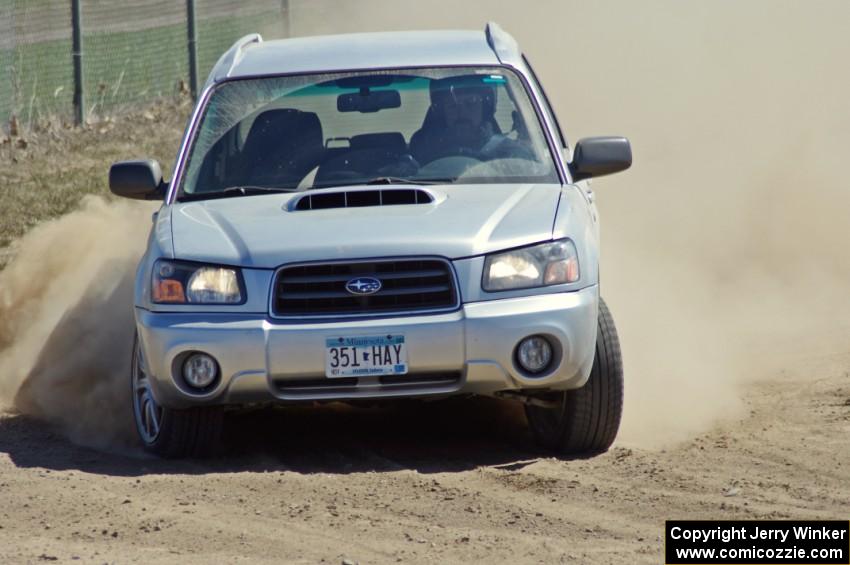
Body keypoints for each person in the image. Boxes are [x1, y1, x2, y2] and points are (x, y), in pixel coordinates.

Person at [410, 75, 533, 166]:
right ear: (443, 113)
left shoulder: (509, 152)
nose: (462, 113)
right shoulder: (423, 150)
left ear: (484, 109)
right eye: (452, 106)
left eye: (471, 103)